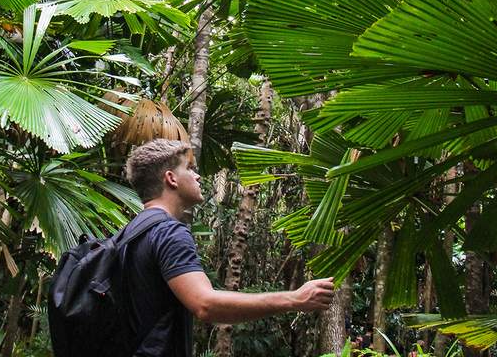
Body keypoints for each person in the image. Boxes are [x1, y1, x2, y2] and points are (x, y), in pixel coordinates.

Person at [121, 138, 336, 357]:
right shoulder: (168, 232)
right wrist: (295, 299)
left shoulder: (128, 235)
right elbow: (205, 304)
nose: (198, 177)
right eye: (189, 168)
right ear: (171, 179)